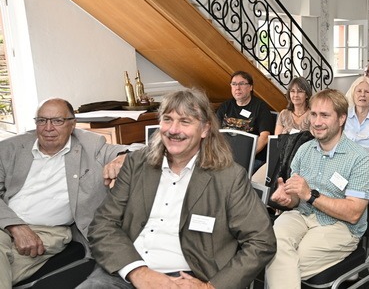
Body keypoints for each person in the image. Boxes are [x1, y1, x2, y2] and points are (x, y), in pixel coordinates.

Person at [78, 88, 277, 289]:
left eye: (185, 121)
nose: (173, 130)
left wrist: (211, 287)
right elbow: (103, 224)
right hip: (124, 271)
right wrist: (138, 272)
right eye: (167, 119)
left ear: (205, 129)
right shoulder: (136, 164)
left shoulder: (229, 177)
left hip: (189, 278)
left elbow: (261, 241)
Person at [0, 98, 128, 288]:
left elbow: (141, 151)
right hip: (5, 223)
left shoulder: (91, 147)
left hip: (47, 232)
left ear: (72, 124)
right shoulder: (12, 147)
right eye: (42, 120)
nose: (48, 128)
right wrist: (16, 226)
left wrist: (122, 157)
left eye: (57, 121)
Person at [265, 89, 369, 288]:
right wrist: (287, 198)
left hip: (341, 226)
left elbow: (353, 214)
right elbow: (296, 199)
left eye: (325, 115)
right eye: (314, 114)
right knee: (271, 246)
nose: (316, 122)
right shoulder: (304, 149)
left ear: (342, 118)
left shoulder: (360, 159)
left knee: (285, 263)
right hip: (301, 215)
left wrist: (310, 195)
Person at [216, 71, 274, 171]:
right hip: (226, 157)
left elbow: (264, 138)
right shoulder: (225, 106)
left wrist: (245, 156)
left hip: (252, 158)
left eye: (242, 84)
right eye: (234, 84)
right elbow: (213, 132)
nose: (237, 88)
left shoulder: (260, 108)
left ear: (250, 87)